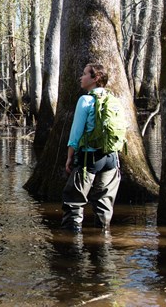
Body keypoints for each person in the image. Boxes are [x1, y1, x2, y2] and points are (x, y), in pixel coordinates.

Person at [61, 63, 121, 233]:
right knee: (104, 205)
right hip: (111, 158)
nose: (81, 77)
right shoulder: (113, 99)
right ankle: (102, 244)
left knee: (73, 200)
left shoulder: (86, 99)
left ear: (95, 78)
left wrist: (70, 156)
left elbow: (76, 133)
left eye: (85, 74)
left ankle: (71, 247)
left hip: (89, 158)